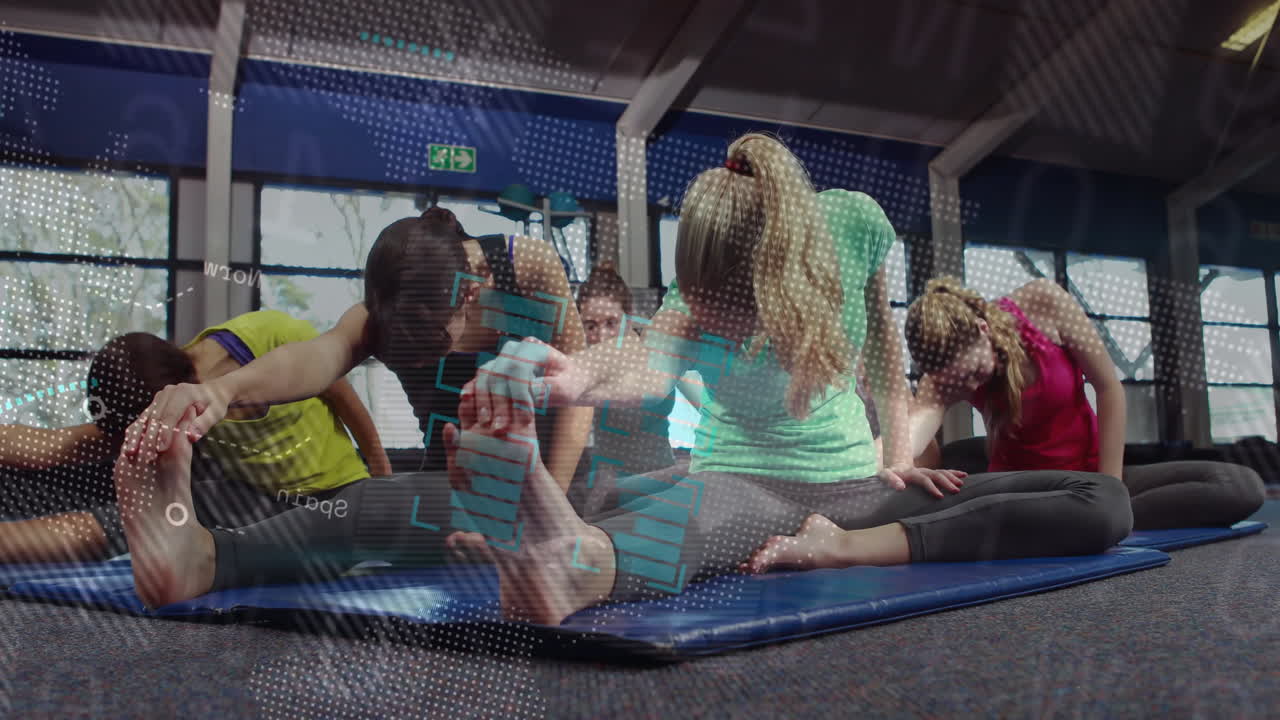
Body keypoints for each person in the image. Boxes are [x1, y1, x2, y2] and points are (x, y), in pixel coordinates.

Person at [108, 206, 591, 607]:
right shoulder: (385, 311)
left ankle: (206, 560)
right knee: (358, 510)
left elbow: (580, 393)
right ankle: (203, 558)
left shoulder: (526, 268)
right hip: (456, 488)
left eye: (429, 347)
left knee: (370, 507)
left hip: (550, 484)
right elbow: (317, 358)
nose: (420, 361)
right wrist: (222, 391)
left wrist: (548, 517)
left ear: (468, 291)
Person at [0, 310, 389, 563]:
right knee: (118, 501)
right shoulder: (157, 387)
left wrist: (379, 475)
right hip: (245, 492)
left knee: (149, 515)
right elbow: (57, 447)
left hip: (329, 495)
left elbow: (342, 394)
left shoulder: (270, 337)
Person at [904, 276, 1265, 530]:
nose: (970, 386)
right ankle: (1070, 522)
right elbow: (910, 438)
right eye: (958, 382)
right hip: (1024, 491)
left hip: (1091, 473)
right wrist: (877, 463)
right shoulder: (942, 377)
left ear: (982, 329)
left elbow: (1109, 388)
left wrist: (1111, 489)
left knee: (1240, 486)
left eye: (974, 372)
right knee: (944, 473)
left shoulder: (1042, 303)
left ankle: (1085, 520)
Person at [573, 264, 705, 513]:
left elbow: (707, 405)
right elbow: (575, 430)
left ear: (629, 316)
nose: (602, 336)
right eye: (590, 326)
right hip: (609, 485)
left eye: (611, 323)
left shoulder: (656, 354)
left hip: (660, 479)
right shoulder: (586, 364)